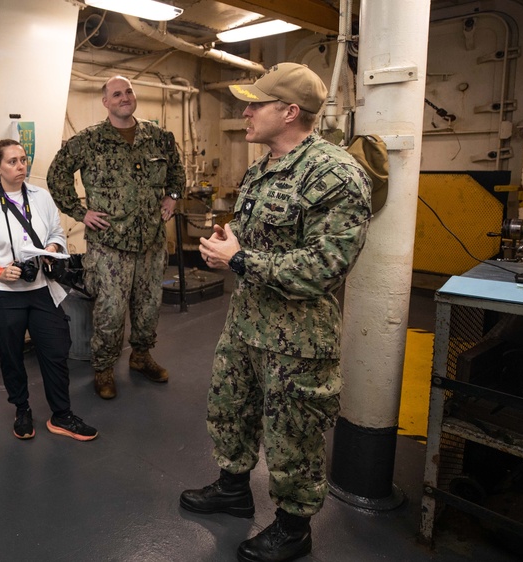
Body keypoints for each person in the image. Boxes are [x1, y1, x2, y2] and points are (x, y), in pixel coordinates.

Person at [179, 63, 372, 562]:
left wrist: (240, 260)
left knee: (294, 436)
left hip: (298, 339)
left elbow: (328, 265)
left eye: (255, 104)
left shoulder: (334, 174)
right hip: (247, 324)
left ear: (289, 112)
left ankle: (293, 527)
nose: (244, 112)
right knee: (231, 410)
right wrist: (228, 243)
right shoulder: (262, 169)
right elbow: (261, 240)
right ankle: (232, 489)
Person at [47, 76, 186, 399]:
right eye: (117, 94)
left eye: (129, 92)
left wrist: (173, 196)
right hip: (111, 245)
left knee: (149, 307)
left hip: (151, 240)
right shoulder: (89, 141)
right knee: (110, 311)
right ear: (106, 102)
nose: (125, 98)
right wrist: (80, 213)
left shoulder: (159, 137)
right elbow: (57, 175)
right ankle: (104, 368)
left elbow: (177, 171)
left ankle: (140, 356)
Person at [0, 139, 98, 441]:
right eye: (12, 161)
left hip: (40, 290)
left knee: (55, 351)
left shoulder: (41, 197)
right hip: (4, 293)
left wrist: (51, 247)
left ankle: (62, 415)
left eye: (23, 160)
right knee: (11, 356)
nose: (20, 166)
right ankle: (21, 409)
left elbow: (56, 232)